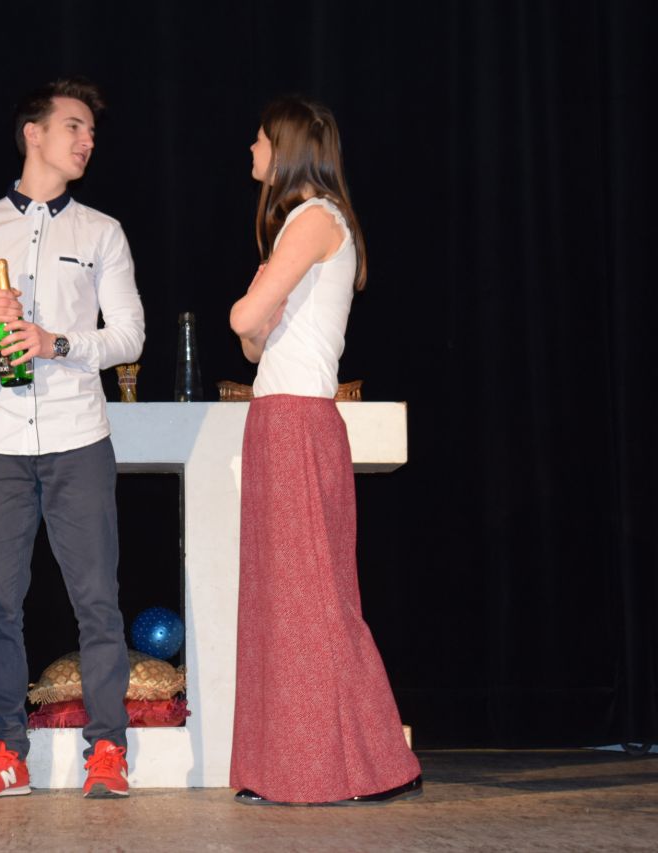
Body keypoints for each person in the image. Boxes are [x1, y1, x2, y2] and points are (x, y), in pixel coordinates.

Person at [0, 77, 145, 799]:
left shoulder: (101, 231)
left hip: (78, 435)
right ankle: (5, 751)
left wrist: (57, 342)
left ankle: (108, 750)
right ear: (34, 133)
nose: (87, 141)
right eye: (74, 126)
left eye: (92, 132)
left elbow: (130, 335)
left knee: (97, 601)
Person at [228, 96, 422, 805]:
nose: (252, 151)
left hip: (297, 417)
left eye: (259, 140)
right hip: (278, 414)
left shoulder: (313, 218)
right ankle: (289, 767)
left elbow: (245, 318)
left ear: (286, 148)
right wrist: (253, 319)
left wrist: (251, 311)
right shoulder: (301, 224)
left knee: (314, 597)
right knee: (281, 600)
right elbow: (252, 345)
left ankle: (375, 764)